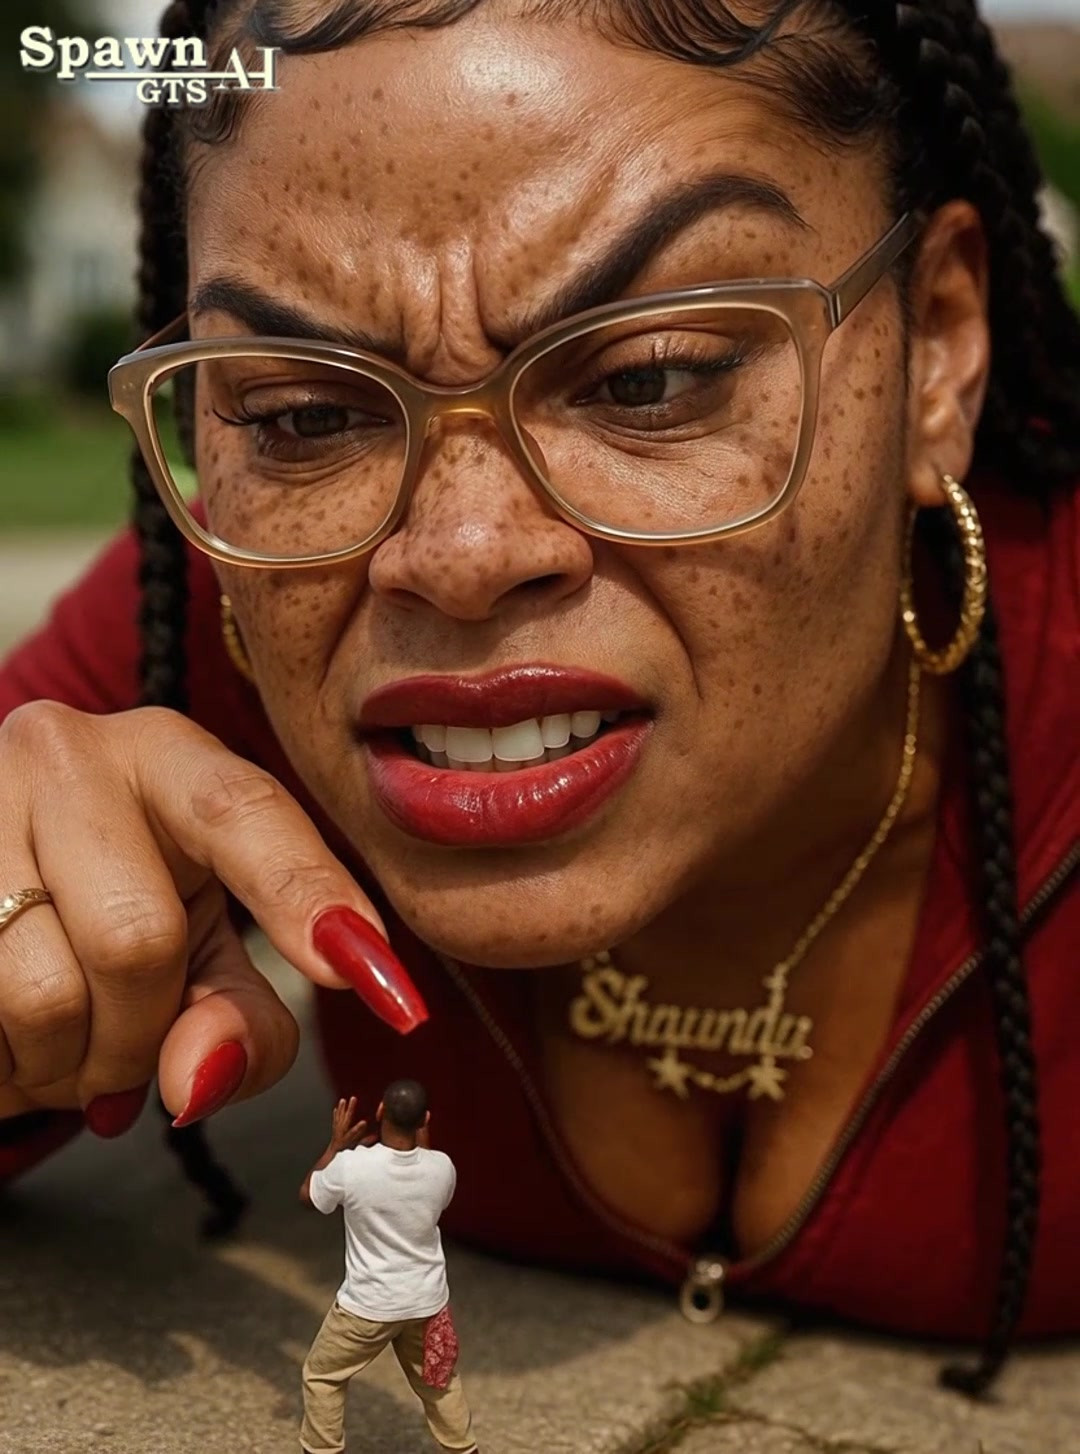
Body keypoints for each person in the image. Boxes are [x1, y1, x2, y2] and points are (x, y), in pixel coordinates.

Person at [0, 0, 1077, 1407]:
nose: (457, 552)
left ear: (936, 345)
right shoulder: (229, 622)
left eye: (649, 378)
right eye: (304, 412)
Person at [299, 1080, 477, 1454]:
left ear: (380, 1111)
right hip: (427, 1305)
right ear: (425, 1120)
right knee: (440, 1382)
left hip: (366, 1307)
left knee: (323, 1376)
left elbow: (309, 1196)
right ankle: (464, 1449)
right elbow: (426, 1172)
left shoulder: (350, 1167)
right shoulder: (443, 1168)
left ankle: (322, 1449)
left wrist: (335, 1146)